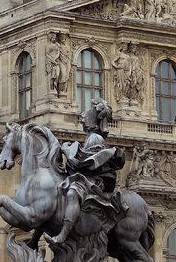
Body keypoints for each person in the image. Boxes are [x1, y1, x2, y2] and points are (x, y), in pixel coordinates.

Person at [48, 98, 127, 244]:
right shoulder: (91, 138)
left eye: (84, 119)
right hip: (88, 178)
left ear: (91, 122)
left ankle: (63, 234)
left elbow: (86, 163)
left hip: (94, 181)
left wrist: (67, 151)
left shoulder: (95, 138)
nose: (82, 122)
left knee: (72, 193)